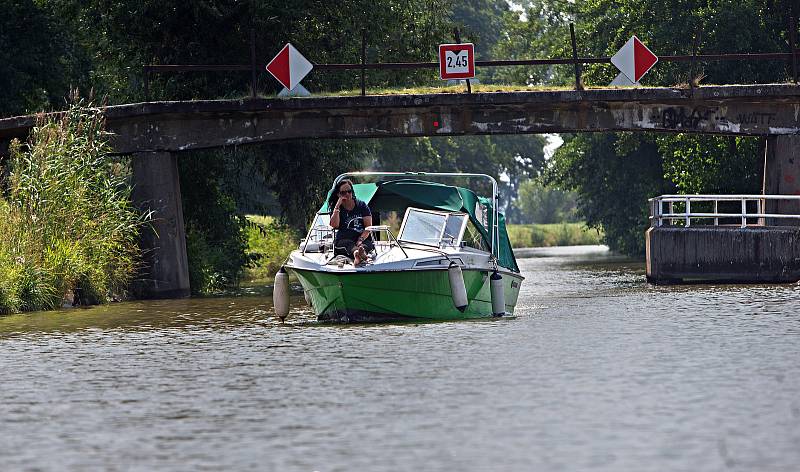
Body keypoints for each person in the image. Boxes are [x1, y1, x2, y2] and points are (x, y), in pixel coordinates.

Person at [328, 179, 373, 265]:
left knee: (366, 245)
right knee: (348, 244)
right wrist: (337, 206)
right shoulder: (337, 208)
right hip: (343, 240)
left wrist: (360, 239)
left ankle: (360, 254)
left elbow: (368, 227)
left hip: (361, 238)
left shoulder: (362, 206)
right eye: (343, 193)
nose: (347, 194)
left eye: (349, 191)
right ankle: (357, 254)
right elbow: (334, 225)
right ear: (338, 194)